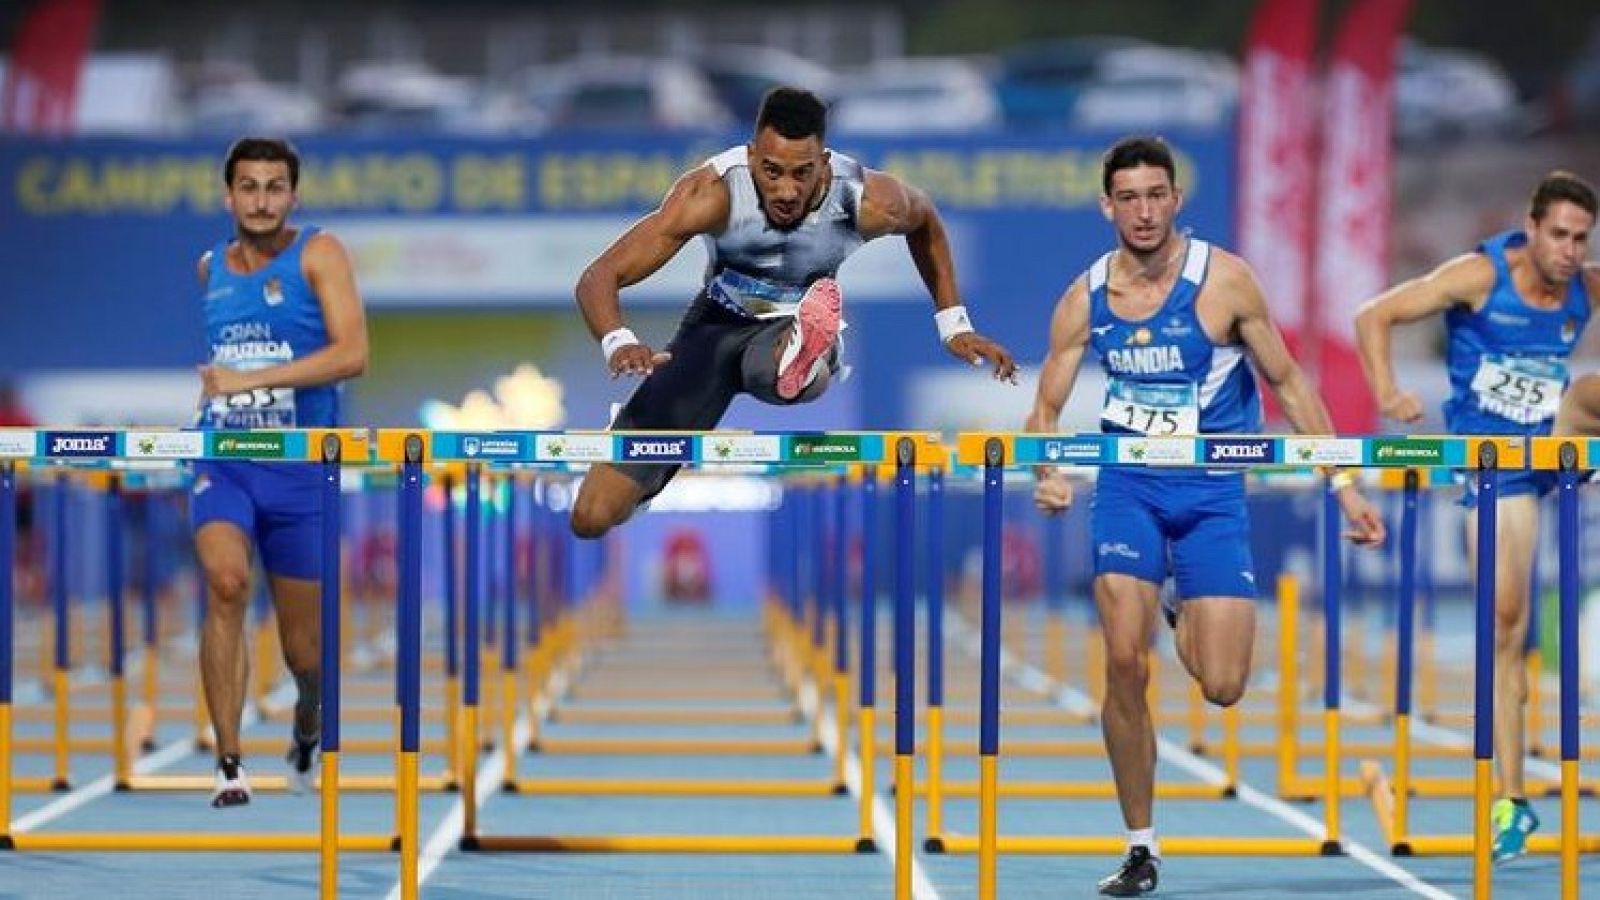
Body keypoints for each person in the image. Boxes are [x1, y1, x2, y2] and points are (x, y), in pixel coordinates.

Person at [1027, 136, 1386, 896]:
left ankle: (1174, 595)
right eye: (1129, 198)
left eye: (1157, 195)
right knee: (1123, 662)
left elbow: (1289, 383)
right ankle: (1140, 845)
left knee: (1223, 686)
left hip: (1214, 493)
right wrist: (1048, 472)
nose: (1145, 211)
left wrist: (1344, 485)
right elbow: (1047, 407)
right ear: (1108, 207)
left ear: (1176, 200)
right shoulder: (1085, 296)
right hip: (1128, 488)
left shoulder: (1225, 282)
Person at [568, 87, 1016, 538]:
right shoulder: (712, 192)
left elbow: (926, 224)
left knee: (785, 371)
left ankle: (807, 352)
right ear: (750, 156)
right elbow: (598, 277)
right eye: (771, 171)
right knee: (592, 516)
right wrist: (618, 340)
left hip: (790, 325)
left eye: (802, 174)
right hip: (714, 329)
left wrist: (953, 324)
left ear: (823, 163)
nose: (786, 190)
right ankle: (648, 474)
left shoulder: (866, 199)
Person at [1355, 170, 1597, 862]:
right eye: (1559, 235)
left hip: (1559, 446)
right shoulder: (1477, 274)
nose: (1570, 252)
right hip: (1497, 473)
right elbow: (1373, 315)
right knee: (1507, 626)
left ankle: (1582, 456)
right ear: (1531, 225)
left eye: (1581, 239)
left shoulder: (1586, 284)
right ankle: (1512, 799)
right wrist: (1388, 390)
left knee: (1583, 393)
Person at [192, 137, 369, 807]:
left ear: (292, 196)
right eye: (248, 186)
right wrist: (219, 391)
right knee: (226, 582)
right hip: (227, 463)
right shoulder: (210, 268)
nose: (261, 200)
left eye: (274, 187)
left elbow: (353, 353)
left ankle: (307, 720)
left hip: (300, 476)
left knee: (309, 658)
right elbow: (221, 365)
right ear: (228, 195)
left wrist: (251, 379)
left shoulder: (319, 253)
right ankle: (229, 763)